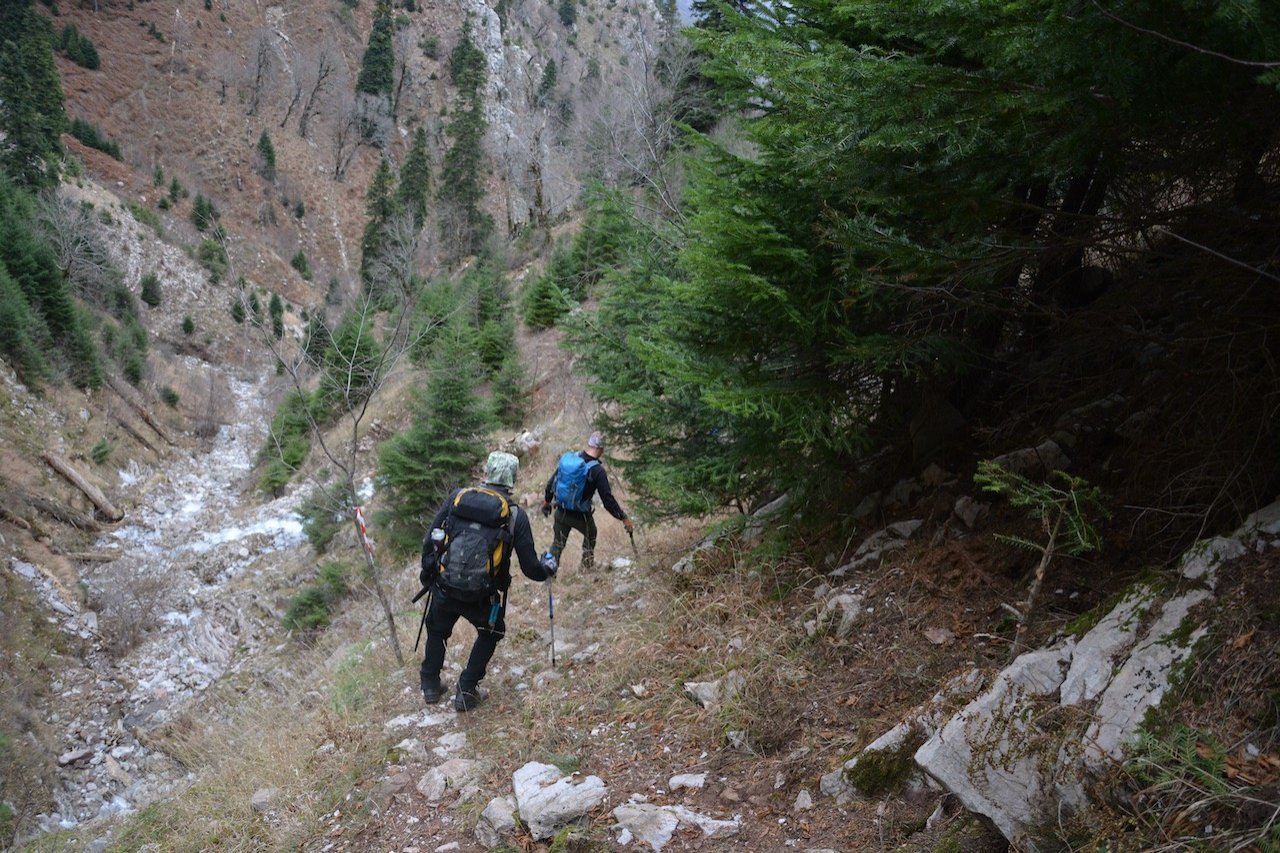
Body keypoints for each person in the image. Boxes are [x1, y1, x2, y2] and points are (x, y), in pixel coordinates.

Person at [418, 451, 557, 712]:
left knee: (437, 629)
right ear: (512, 479)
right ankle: (466, 690)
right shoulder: (515, 516)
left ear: (487, 473)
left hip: (445, 586)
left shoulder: (457, 498)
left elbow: (430, 539)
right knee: (492, 631)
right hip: (481, 596)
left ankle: (430, 685)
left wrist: (428, 573)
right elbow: (530, 568)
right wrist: (547, 569)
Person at [541, 431, 634, 570]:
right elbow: (608, 501)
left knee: (558, 544)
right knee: (591, 534)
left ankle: (549, 574)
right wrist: (623, 517)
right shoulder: (598, 470)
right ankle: (586, 566)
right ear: (601, 449)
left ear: (589, 444)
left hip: (561, 512)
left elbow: (551, 483)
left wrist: (547, 503)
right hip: (581, 516)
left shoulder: (570, 460)